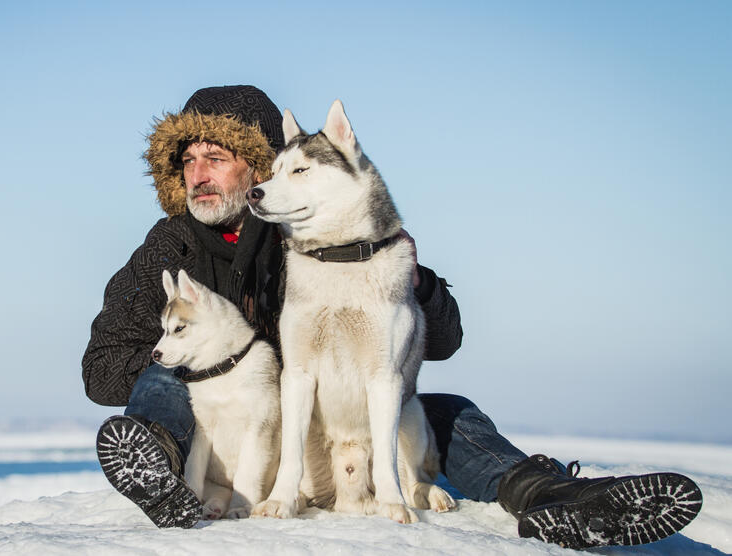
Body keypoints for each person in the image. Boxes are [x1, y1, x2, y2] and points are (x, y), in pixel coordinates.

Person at [82, 85, 702, 547]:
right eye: (187, 162)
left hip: (337, 414)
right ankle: (155, 468)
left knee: (443, 407)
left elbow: (444, 341)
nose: (198, 175)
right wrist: (223, 361)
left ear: (260, 163)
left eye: (215, 157)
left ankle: (553, 497)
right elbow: (103, 369)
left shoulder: (316, 230)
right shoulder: (166, 249)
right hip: (242, 431)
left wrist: (416, 284)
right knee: (161, 375)